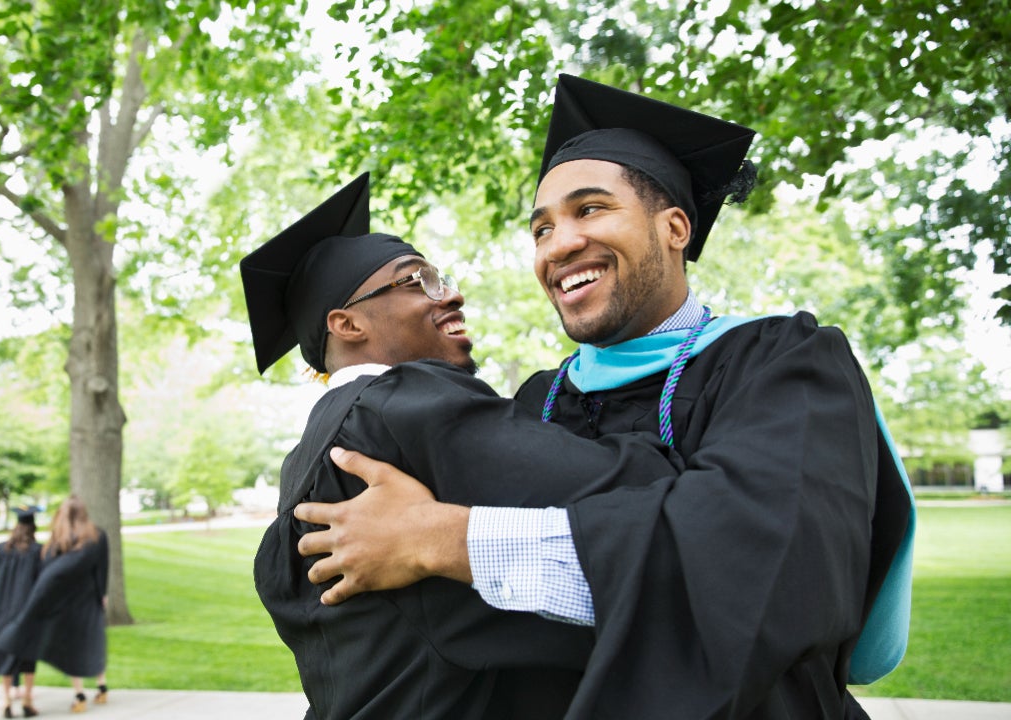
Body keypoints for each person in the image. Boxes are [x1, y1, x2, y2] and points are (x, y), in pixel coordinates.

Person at [294, 75, 916, 719]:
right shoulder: (538, 399)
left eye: (590, 210)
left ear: (675, 226)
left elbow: (768, 575)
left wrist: (446, 539)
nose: (559, 245)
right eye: (541, 230)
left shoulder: (783, 363)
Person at [241, 172, 686, 719]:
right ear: (347, 323)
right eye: (417, 281)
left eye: (441, 277)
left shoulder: (308, 459)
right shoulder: (402, 405)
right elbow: (640, 492)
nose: (450, 293)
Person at [0, 495, 109, 714]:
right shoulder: (97, 535)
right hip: (87, 598)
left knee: (73, 644)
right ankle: (101, 686)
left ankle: (79, 694)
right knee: (91, 642)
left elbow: (49, 569)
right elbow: (101, 568)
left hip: (66, 600)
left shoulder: (59, 538)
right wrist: (101, 593)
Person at [0, 505, 42, 718]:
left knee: (5, 655)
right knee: (28, 657)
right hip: (26, 613)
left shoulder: (0, 550)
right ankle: (28, 700)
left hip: (1, 612)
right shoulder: (38, 551)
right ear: (34, 527)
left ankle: (6, 700)